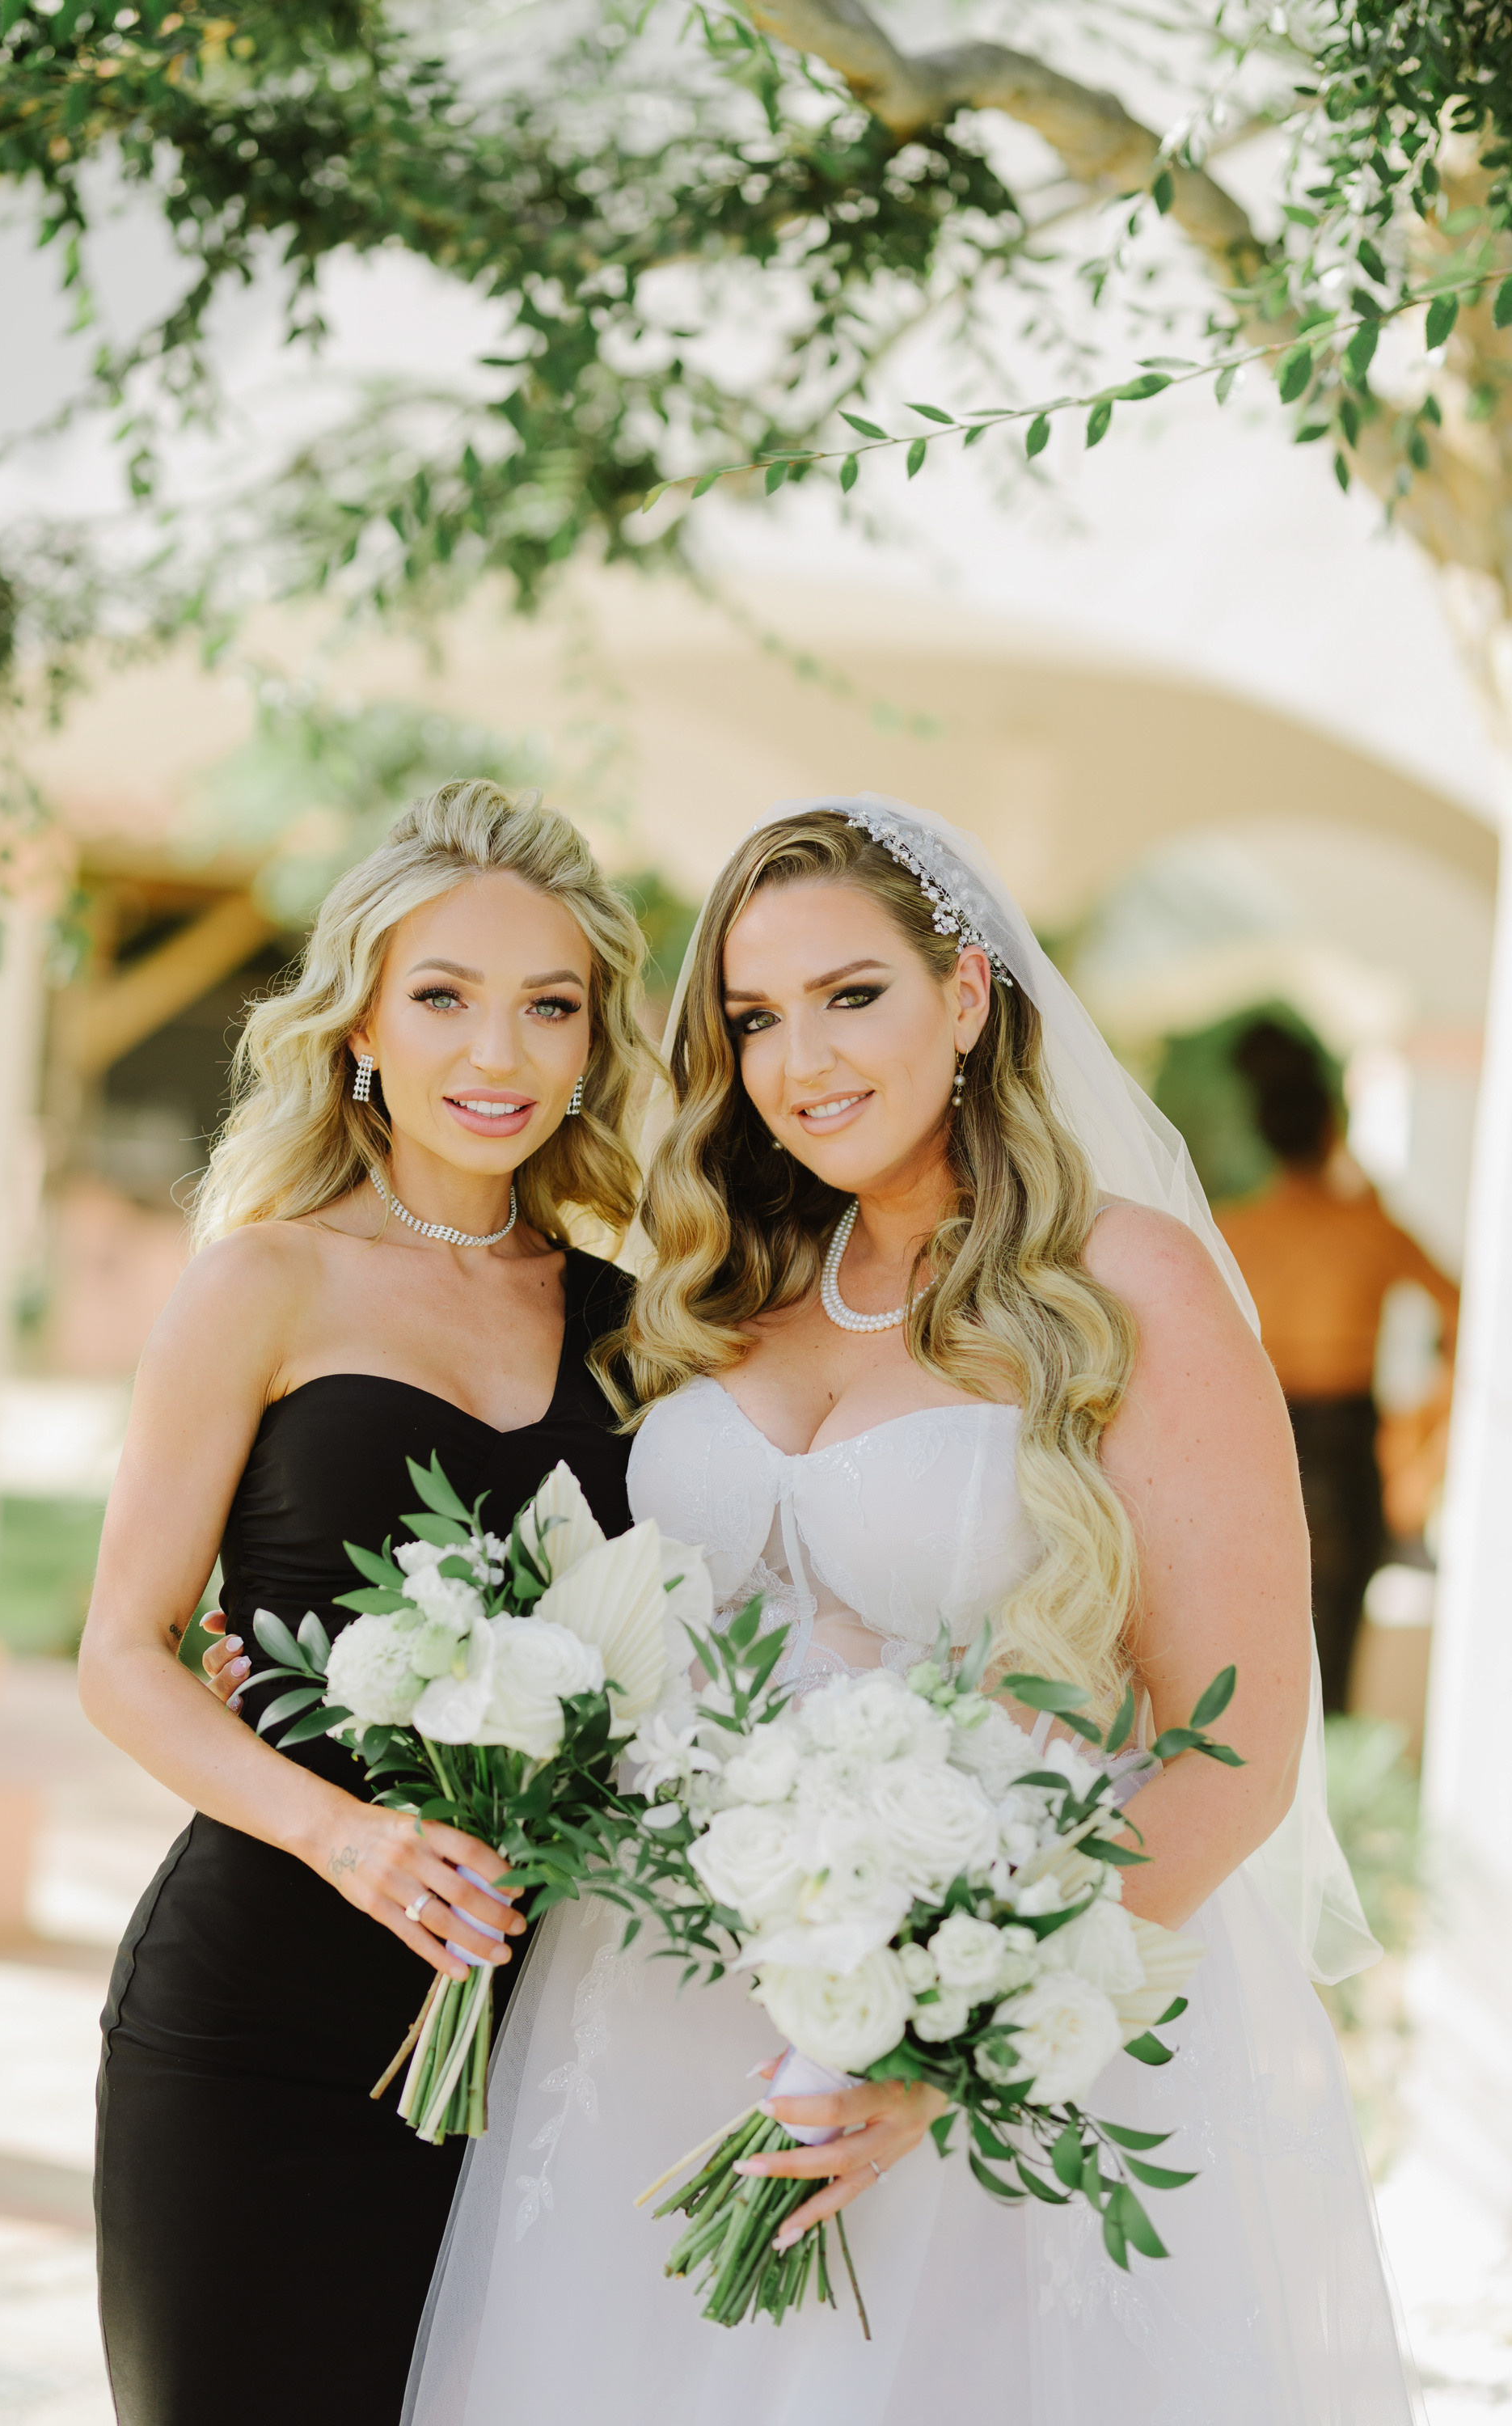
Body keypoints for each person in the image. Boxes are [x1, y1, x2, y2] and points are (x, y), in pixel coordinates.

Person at [404, 797, 1411, 2426]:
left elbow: (1238, 1752)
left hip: (966, 2030)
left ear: (966, 994)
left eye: (849, 995)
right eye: (752, 1018)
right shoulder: (725, 1277)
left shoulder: (1124, 1279)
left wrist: (949, 2048)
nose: (799, 1061)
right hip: (656, 2006)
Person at [78, 781, 657, 2426]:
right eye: (446, 997)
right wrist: (349, 1837)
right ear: (358, 1027)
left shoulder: (638, 1326)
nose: (501, 1054)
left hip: (532, 2051)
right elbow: (125, 1655)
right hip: (252, 2019)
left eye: (551, 1006)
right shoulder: (260, 1281)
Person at [1218, 1020, 1459, 1712]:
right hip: (1344, 1432)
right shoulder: (1369, 1225)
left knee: (1249, 1625)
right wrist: (1422, 1432)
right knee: (1336, 1639)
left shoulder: (1236, 1229)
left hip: (1255, 1428)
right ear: (1333, 1129)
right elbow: (1466, 1312)